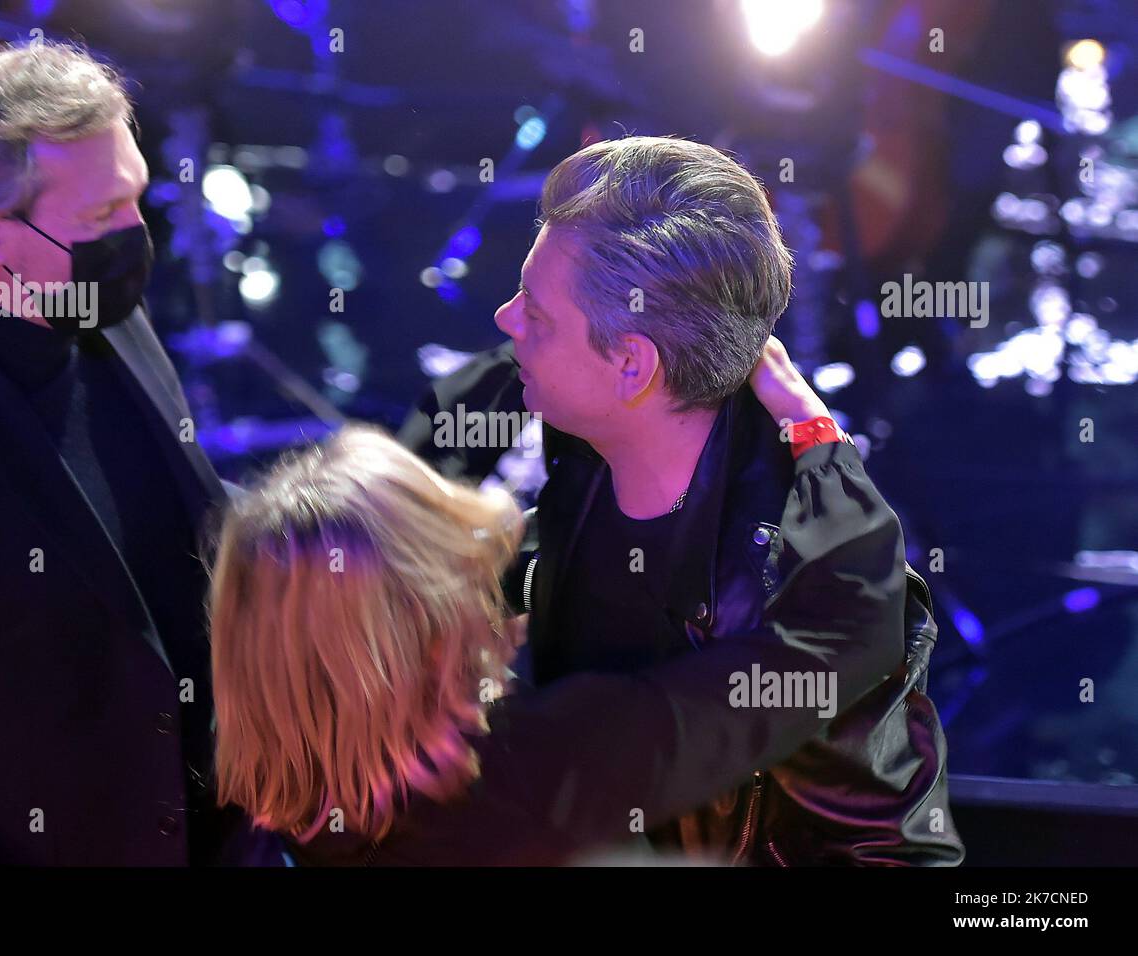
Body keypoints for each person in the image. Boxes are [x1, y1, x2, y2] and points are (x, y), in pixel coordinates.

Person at [400, 136, 963, 865]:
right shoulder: (580, 473)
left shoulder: (798, 589)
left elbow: (889, 856)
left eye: (536, 315)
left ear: (633, 363)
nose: (506, 320)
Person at [208, 350, 911, 865]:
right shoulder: (544, 768)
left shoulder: (275, 785)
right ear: (424, 630)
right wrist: (814, 432)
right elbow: (846, 632)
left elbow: (360, 550)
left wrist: (545, 355)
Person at [0, 40, 259, 864]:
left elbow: (178, 524)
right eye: (102, 216)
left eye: (135, 198)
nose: (139, 234)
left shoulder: (96, 307)